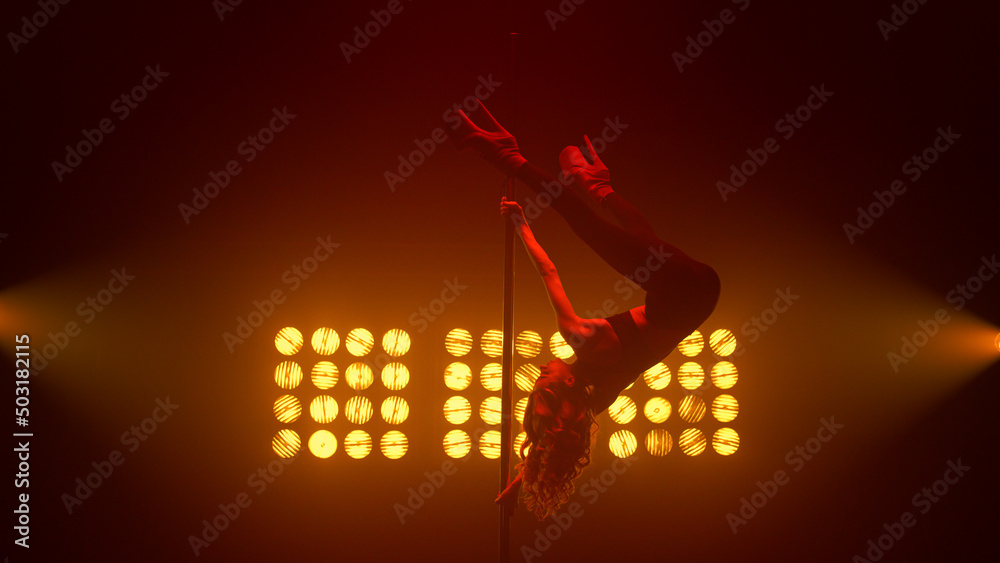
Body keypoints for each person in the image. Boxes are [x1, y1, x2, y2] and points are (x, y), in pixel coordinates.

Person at [452, 102, 721, 519]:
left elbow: (557, 435)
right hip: (683, 292)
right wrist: (522, 223)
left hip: (698, 294)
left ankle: (598, 185)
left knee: (642, 243)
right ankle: (511, 156)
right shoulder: (578, 336)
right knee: (589, 227)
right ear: (569, 380)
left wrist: (529, 476)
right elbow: (548, 270)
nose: (540, 372)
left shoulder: (599, 395)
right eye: (546, 381)